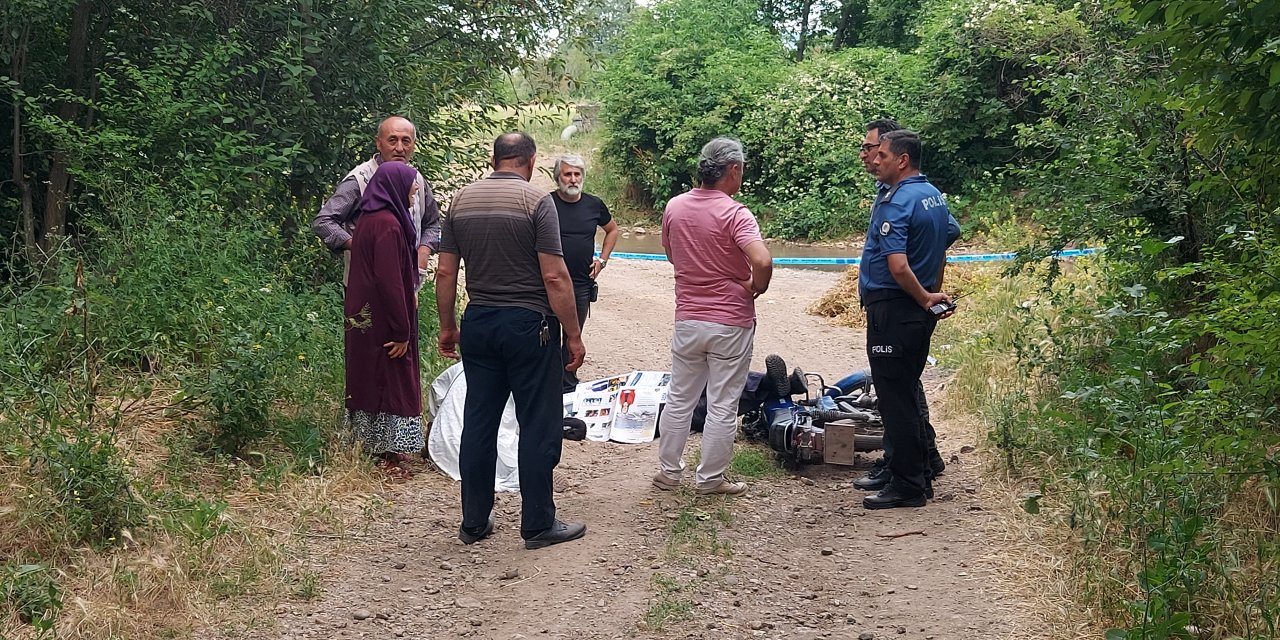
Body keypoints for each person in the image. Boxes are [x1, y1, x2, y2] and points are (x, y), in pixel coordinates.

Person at [435, 132, 588, 550]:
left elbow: (446, 272)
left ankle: (474, 522)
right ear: (532, 161)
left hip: (479, 320)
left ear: (494, 158)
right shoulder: (538, 202)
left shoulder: (461, 200)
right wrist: (572, 335)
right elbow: (555, 276)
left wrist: (447, 326)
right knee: (538, 423)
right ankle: (538, 524)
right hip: (528, 326)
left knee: (479, 421)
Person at [652, 137, 773, 496]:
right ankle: (710, 479)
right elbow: (763, 260)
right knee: (722, 401)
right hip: (730, 320)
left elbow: (672, 255)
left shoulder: (675, 206)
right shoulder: (736, 213)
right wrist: (755, 285)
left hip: (688, 316)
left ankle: (669, 473)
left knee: (680, 396)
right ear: (733, 170)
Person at [853, 119, 960, 492]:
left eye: (879, 153)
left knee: (895, 393)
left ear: (901, 159)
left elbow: (897, 265)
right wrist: (932, 288)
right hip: (915, 305)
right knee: (905, 388)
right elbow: (948, 233)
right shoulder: (932, 193)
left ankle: (908, 480)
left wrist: (924, 294)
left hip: (896, 305)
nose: (872, 158)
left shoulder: (898, 199)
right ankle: (916, 466)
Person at [343, 161, 424, 477]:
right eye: (412, 185)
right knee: (390, 377)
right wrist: (403, 330)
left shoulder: (368, 219)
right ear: (396, 186)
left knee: (368, 374)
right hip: (382, 318)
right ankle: (389, 453)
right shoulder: (389, 225)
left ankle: (373, 446)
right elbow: (390, 282)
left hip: (363, 313)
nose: (415, 191)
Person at [312, 116, 441, 288]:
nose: (400, 148)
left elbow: (432, 223)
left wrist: (423, 252)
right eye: (392, 140)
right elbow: (323, 221)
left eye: (406, 141)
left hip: (407, 282)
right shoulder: (359, 180)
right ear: (378, 143)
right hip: (365, 283)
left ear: (414, 145)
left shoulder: (416, 179)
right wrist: (360, 246)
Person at [551, 154, 620, 392]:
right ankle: (545, 385)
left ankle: (568, 386)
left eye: (577, 174)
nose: (572, 179)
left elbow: (612, 230)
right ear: (557, 177)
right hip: (547, 284)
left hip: (581, 284)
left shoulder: (594, 204)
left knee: (573, 337)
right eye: (567, 174)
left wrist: (602, 260)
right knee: (546, 337)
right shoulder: (546, 203)